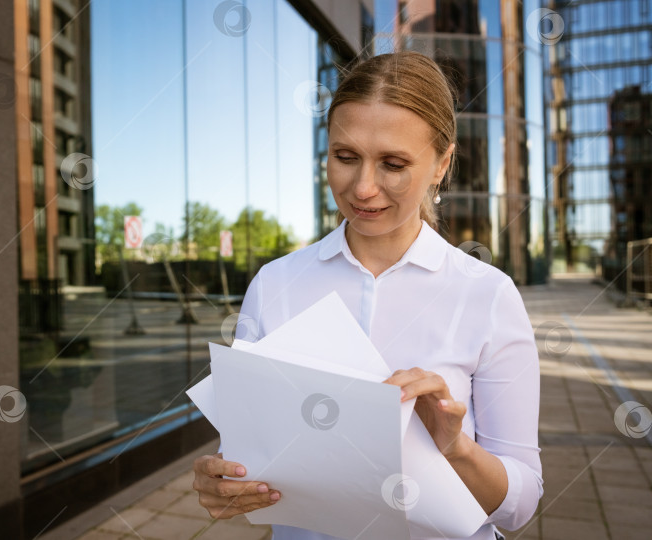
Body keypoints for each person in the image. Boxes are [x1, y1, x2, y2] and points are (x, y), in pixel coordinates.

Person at [192, 51, 542, 540]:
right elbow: (249, 460)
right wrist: (222, 483)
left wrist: (456, 448)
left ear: (441, 163)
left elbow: (518, 508)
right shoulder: (275, 284)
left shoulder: (487, 295)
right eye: (345, 156)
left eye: (394, 163)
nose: (363, 187)